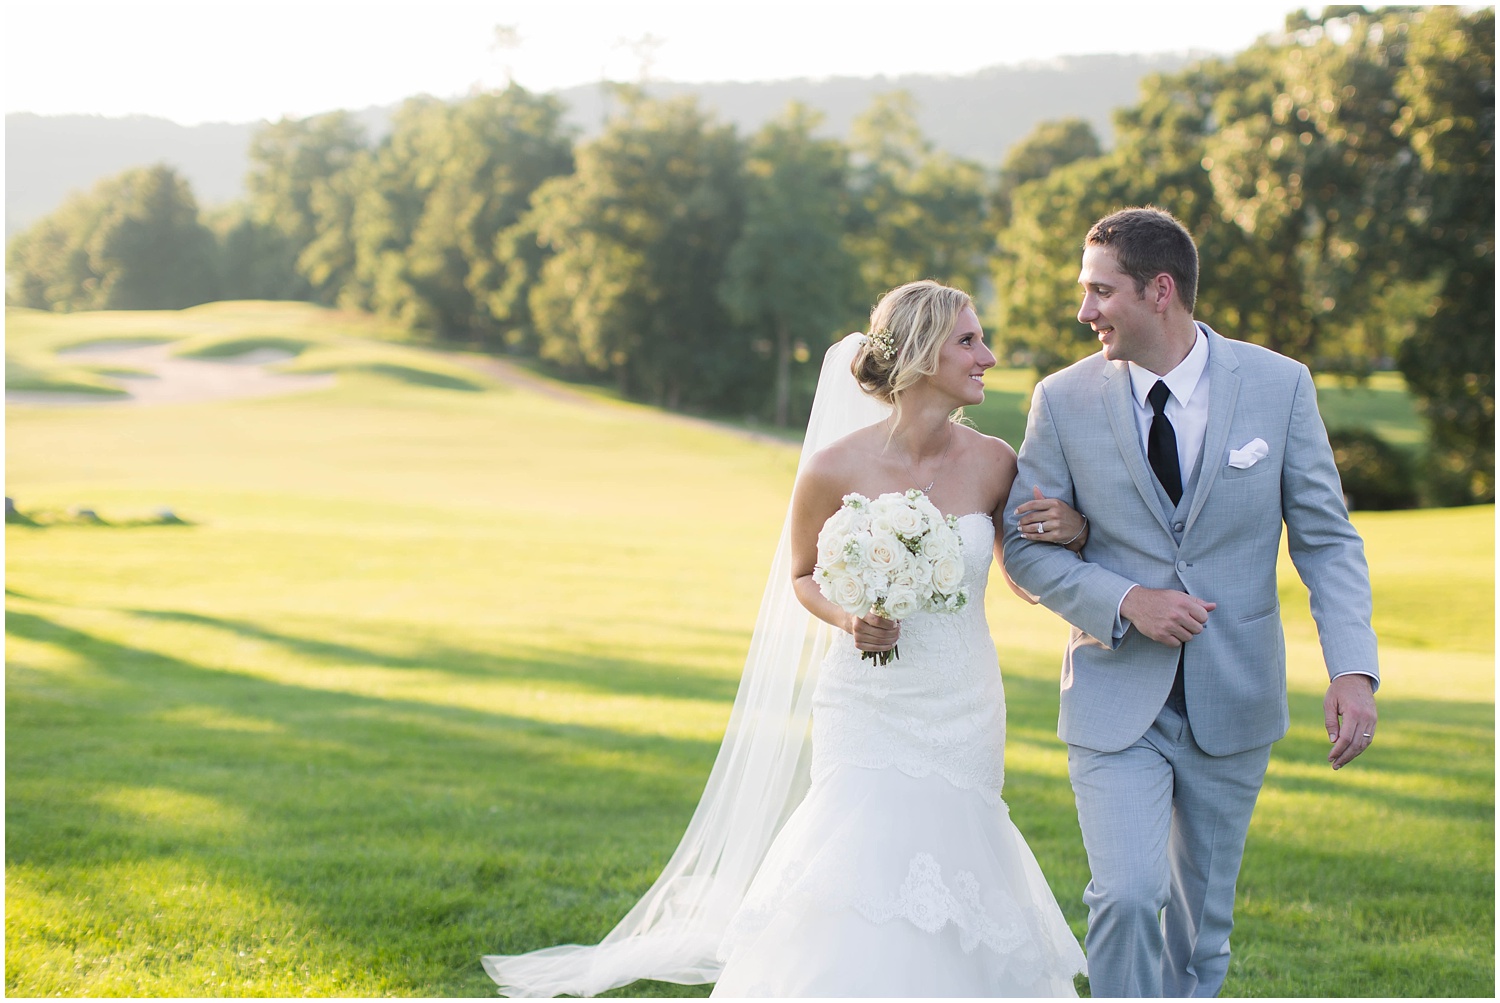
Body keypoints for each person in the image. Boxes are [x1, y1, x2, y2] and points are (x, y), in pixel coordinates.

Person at [484, 280, 1086, 997]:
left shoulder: (995, 462)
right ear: (923, 353)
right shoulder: (833, 467)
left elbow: (1022, 572)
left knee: (958, 841)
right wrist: (850, 619)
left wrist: (1074, 536)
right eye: (969, 340)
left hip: (963, 699)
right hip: (870, 700)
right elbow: (802, 576)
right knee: (858, 850)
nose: (987, 355)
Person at [1002, 206, 1380, 998]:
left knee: (1199, 929)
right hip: (1113, 690)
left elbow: (1327, 540)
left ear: (1160, 290)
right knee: (1129, 893)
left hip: (1233, 693)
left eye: (1101, 291)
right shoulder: (1061, 399)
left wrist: (1353, 670)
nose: (1084, 311)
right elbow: (1027, 543)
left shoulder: (1280, 386)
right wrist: (1125, 596)